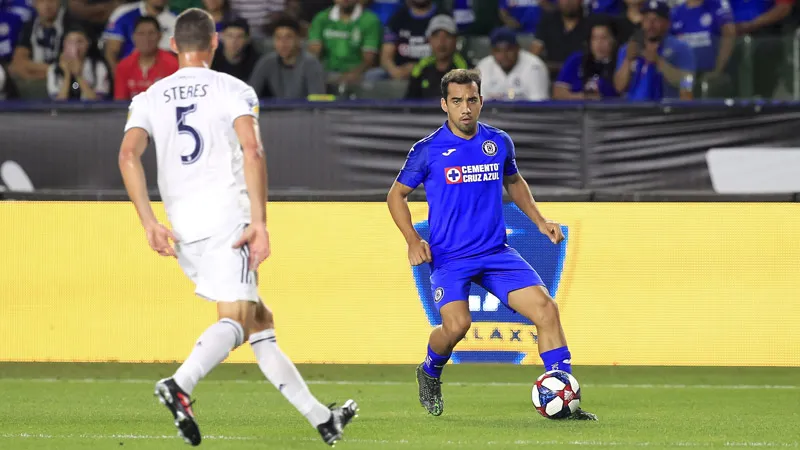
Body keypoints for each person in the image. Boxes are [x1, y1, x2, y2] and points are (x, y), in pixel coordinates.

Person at [117, 8, 358, 447]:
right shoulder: (233, 88)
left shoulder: (149, 96)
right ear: (213, 45)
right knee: (237, 317)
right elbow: (252, 150)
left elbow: (128, 156)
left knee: (258, 321)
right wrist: (260, 223)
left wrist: (148, 221)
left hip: (184, 226)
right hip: (229, 217)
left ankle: (323, 419)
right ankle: (181, 383)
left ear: (173, 47)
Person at [386, 68, 598, 421]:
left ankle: (566, 399)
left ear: (481, 101)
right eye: (457, 101)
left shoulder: (497, 142)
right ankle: (429, 370)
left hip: (496, 254)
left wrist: (540, 220)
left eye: (471, 100)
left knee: (547, 310)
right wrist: (412, 239)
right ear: (444, 105)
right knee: (457, 327)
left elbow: (514, 183)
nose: (465, 108)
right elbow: (396, 196)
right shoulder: (427, 151)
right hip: (450, 258)